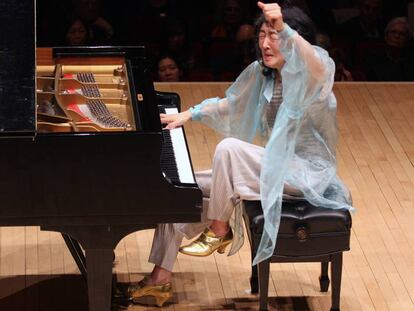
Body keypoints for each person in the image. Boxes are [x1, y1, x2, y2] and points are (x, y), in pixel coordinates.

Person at [125, 1, 353, 307]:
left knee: (229, 149)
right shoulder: (264, 75)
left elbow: (313, 61)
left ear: (292, 38)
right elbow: (232, 104)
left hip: (306, 176)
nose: (266, 43)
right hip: (275, 167)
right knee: (180, 189)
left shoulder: (313, 76)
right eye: (262, 35)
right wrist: (189, 114)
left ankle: (220, 228)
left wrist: (283, 26)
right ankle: (159, 280)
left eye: (275, 36)